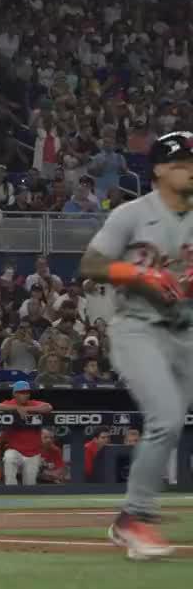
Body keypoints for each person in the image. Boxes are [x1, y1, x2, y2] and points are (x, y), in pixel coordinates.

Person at [78, 131, 193, 560]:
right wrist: (137, 275)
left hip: (186, 331)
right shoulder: (132, 214)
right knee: (165, 416)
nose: (191, 169)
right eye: (182, 162)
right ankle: (134, 518)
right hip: (138, 329)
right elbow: (89, 264)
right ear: (160, 169)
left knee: (173, 421)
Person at [0, 381, 54, 486]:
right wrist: (16, 408)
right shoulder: (10, 403)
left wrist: (26, 409)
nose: (25, 395)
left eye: (27, 392)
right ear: (15, 394)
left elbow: (48, 407)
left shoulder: (33, 403)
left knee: (29, 485)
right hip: (14, 450)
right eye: (21, 392)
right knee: (9, 458)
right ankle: (11, 492)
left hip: (33, 452)